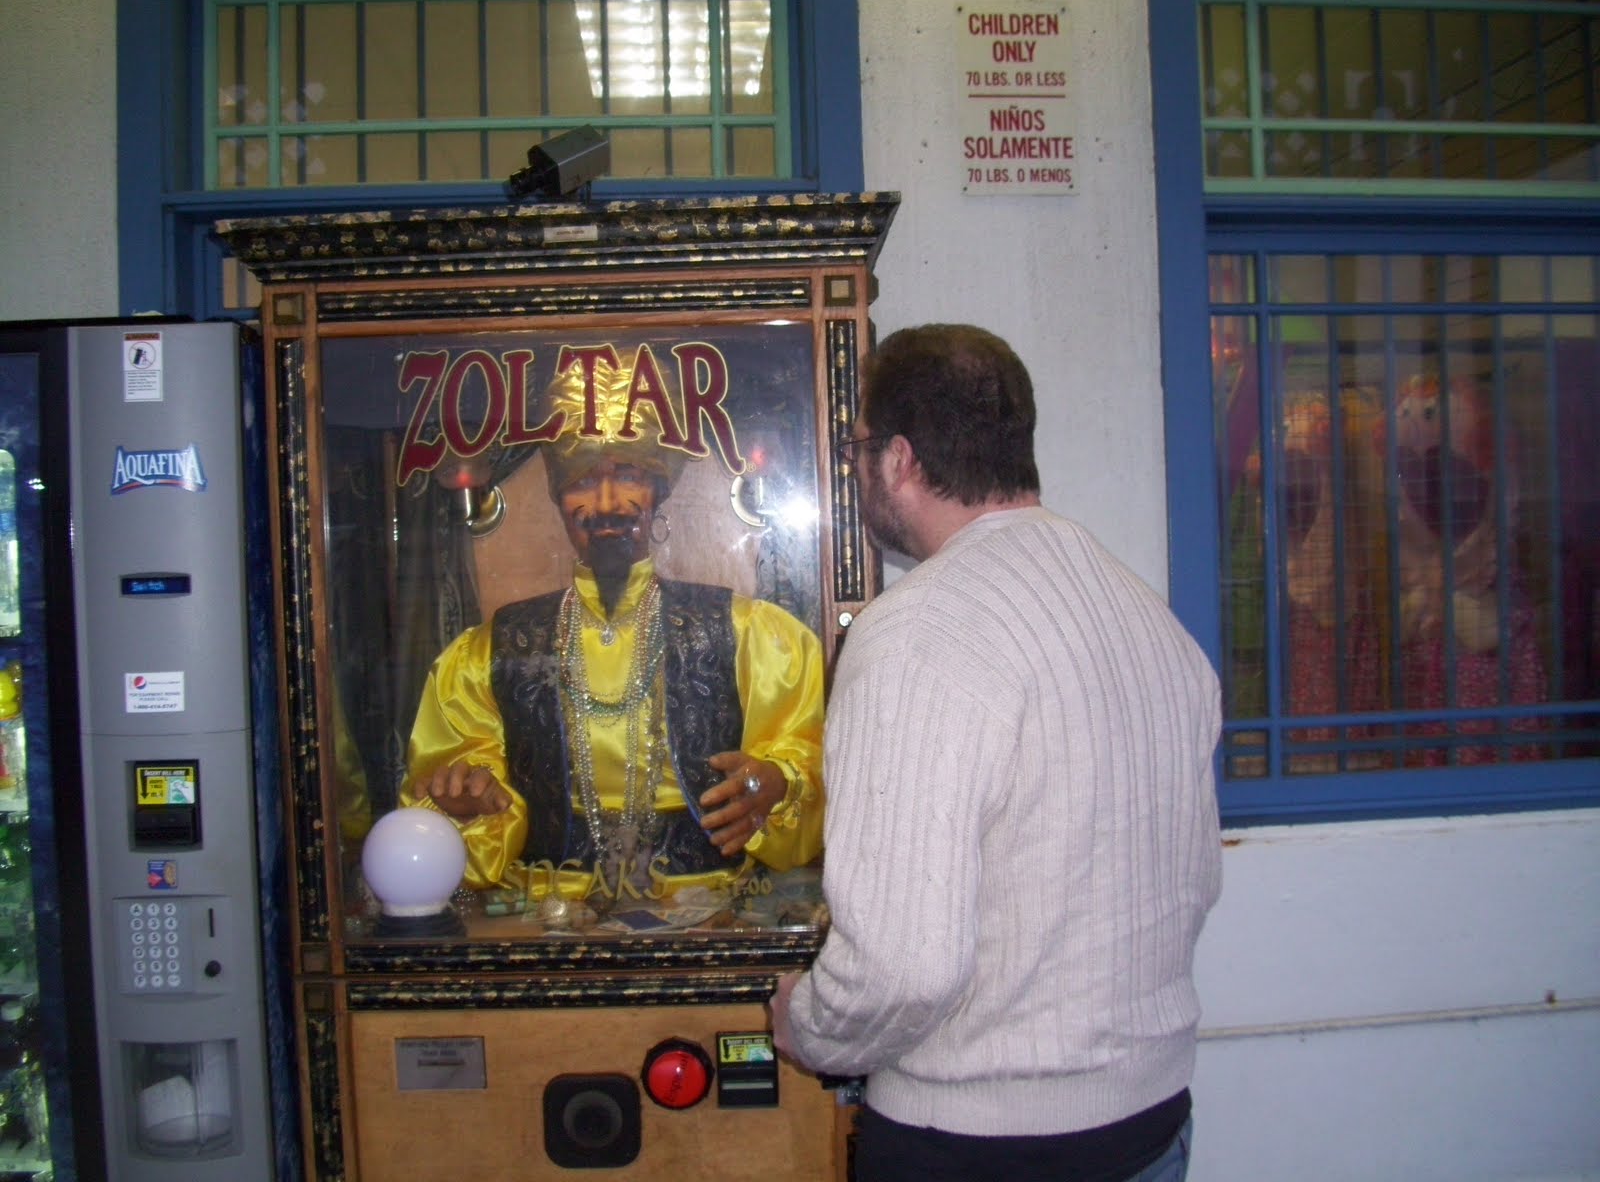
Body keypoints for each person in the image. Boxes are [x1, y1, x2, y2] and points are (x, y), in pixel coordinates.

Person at [768, 324, 1222, 1181]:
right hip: (1153, 1120)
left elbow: (902, 968)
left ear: (899, 458)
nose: (861, 469)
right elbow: (1193, 883)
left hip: (983, 1144)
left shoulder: (915, 634)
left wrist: (813, 1029)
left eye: (862, 448)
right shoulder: (1145, 614)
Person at [400, 357, 825, 903]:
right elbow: (451, 787)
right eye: (582, 482)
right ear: (557, 500)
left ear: (658, 491)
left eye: (626, 476)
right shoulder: (491, 654)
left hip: (706, 912)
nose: (606, 505)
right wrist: (468, 798)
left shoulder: (751, 637)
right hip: (545, 912)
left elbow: (809, 759)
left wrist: (778, 782)